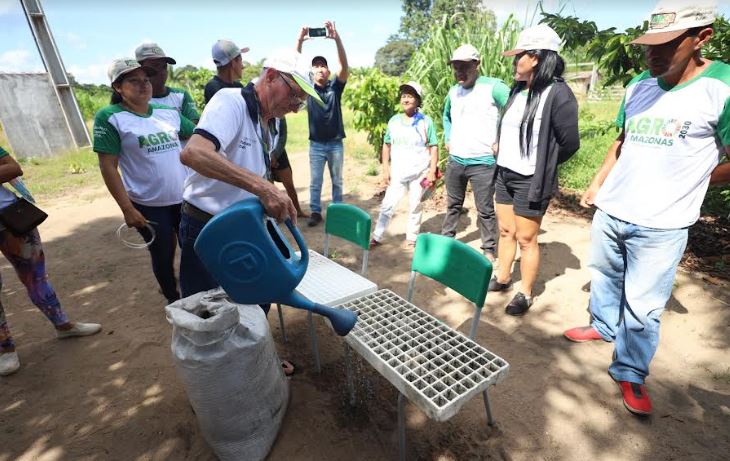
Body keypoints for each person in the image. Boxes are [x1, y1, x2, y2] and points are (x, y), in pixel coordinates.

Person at [563, 0, 730, 416]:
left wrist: (697, 177)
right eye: (647, 45)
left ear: (701, 39)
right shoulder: (640, 84)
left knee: (643, 304)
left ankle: (631, 370)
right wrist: (598, 181)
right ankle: (603, 326)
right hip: (614, 209)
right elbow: (623, 140)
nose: (652, 54)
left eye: (667, 44)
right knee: (603, 274)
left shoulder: (722, 86)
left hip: (663, 223)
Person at [179, 49, 323, 377]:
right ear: (270, 76)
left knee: (257, 299)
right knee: (208, 313)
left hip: (244, 227)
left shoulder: (267, 124)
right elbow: (194, 153)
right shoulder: (230, 102)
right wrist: (263, 187)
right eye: (295, 93)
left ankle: (254, 367)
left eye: (302, 100)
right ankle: (217, 386)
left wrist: (270, 193)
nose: (296, 105)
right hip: (207, 227)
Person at [490, 24, 580, 316]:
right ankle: (503, 277)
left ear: (537, 57)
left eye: (520, 56)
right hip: (504, 173)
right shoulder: (518, 89)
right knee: (505, 230)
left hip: (530, 179)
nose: (515, 62)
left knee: (527, 239)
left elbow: (569, 143)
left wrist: (544, 165)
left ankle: (525, 293)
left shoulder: (559, 94)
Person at [93, 58, 195, 305]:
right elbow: (108, 166)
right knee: (162, 255)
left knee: (193, 251)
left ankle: (196, 294)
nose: (143, 85)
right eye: (134, 81)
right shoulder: (110, 117)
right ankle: (174, 300)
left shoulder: (167, 113)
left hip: (184, 198)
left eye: (146, 79)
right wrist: (127, 209)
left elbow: (198, 135)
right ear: (117, 87)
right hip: (148, 205)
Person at [0, 145, 101, 376]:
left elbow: (14, 168)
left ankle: (63, 325)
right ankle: (5, 348)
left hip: (10, 216)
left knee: (36, 278)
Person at [440, 44, 511, 261]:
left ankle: (488, 248)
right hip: (456, 161)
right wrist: (448, 137)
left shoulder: (493, 87)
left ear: (477, 64)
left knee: (485, 209)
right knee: (453, 205)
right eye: (456, 67)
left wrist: (502, 140)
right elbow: (446, 117)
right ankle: (446, 241)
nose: (460, 72)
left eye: (464, 67)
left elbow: (515, 111)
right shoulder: (453, 91)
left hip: (483, 162)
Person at [370, 81, 438, 249]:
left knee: (416, 205)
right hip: (398, 174)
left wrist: (431, 172)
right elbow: (386, 145)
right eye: (404, 96)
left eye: (410, 96)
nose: (406, 99)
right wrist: (385, 170)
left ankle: (412, 237)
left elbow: (434, 146)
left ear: (418, 100)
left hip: (419, 173)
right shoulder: (394, 121)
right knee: (388, 205)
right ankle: (377, 235)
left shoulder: (425, 121)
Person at [295, 21, 349, 226]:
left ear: (328, 71)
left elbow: (344, 65)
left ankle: (337, 214)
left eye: (323, 66)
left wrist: (337, 38)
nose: (320, 69)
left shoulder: (336, 87)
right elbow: (294, 66)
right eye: (316, 66)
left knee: (337, 180)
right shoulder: (308, 88)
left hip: (335, 143)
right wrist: (299, 40)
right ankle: (316, 212)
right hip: (316, 145)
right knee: (315, 182)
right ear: (312, 70)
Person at [135, 42, 200, 123]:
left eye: (164, 66)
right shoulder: (134, 102)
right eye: (155, 66)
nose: (162, 72)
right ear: (139, 69)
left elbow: (194, 127)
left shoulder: (181, 95)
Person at [271, 117, 308, 217]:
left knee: (289, 185)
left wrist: (275, 154)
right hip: (264, 155)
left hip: (279, 154)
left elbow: (283, 136)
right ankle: (274, 215)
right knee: (269, 187)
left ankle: (298, 211)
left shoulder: (280, 115)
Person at [203, 39, 249, 104]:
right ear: (233, 62)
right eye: (240, 60)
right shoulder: (213, 87)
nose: (242, 66)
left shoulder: (238, 86)